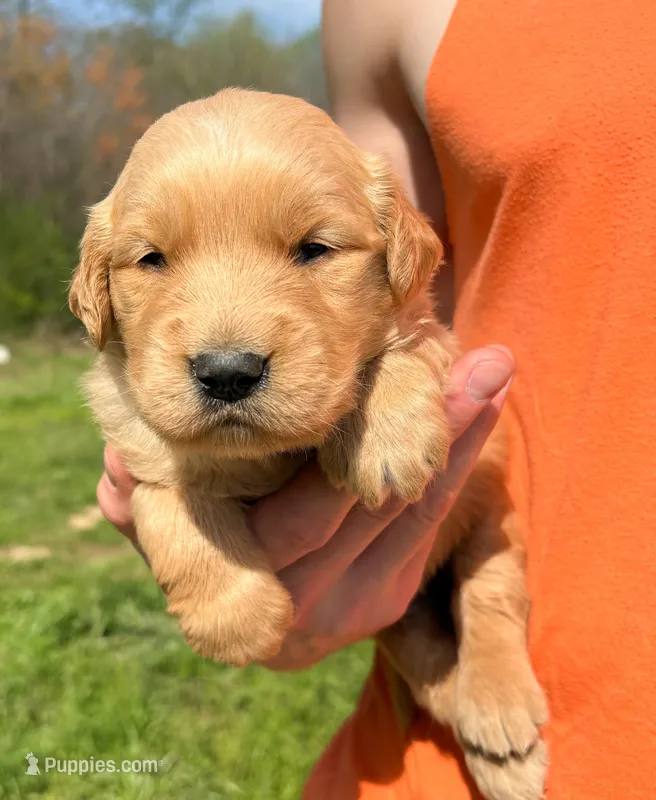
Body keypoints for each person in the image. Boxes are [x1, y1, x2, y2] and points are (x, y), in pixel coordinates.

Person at [98, 0, 656, 796]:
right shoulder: (375, 10)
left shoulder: (380, 238)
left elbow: (407, 314)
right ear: (96, 283)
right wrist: (209, 565)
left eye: (310, 249)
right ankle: (437, 680)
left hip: (548, 555)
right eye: (152, 259)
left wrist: (391, 384)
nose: (225, 347)